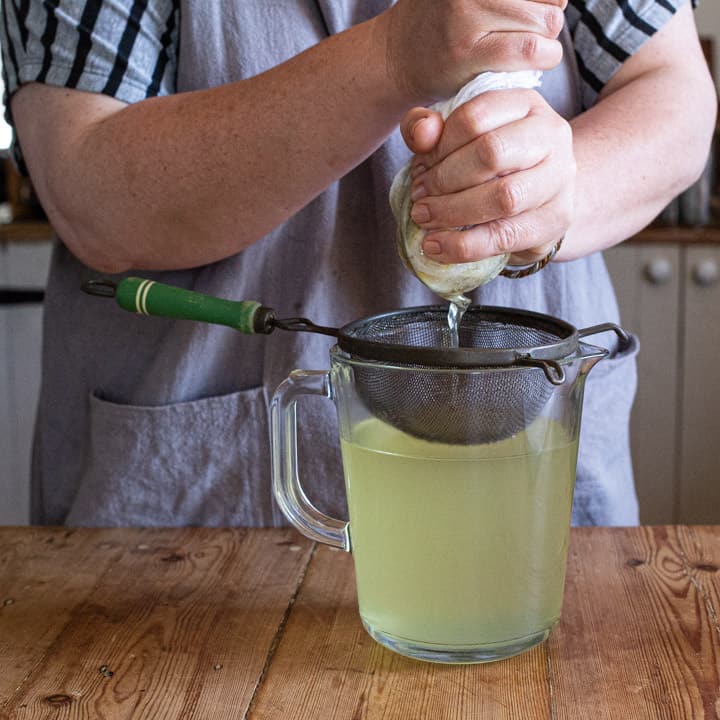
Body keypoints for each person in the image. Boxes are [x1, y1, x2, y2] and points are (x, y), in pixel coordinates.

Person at [0, 0, 715, 528]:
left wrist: (559, 190)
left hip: (530, 496)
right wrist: (393, 60)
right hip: (194, 535)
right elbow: (91, 184)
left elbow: (673, 91)